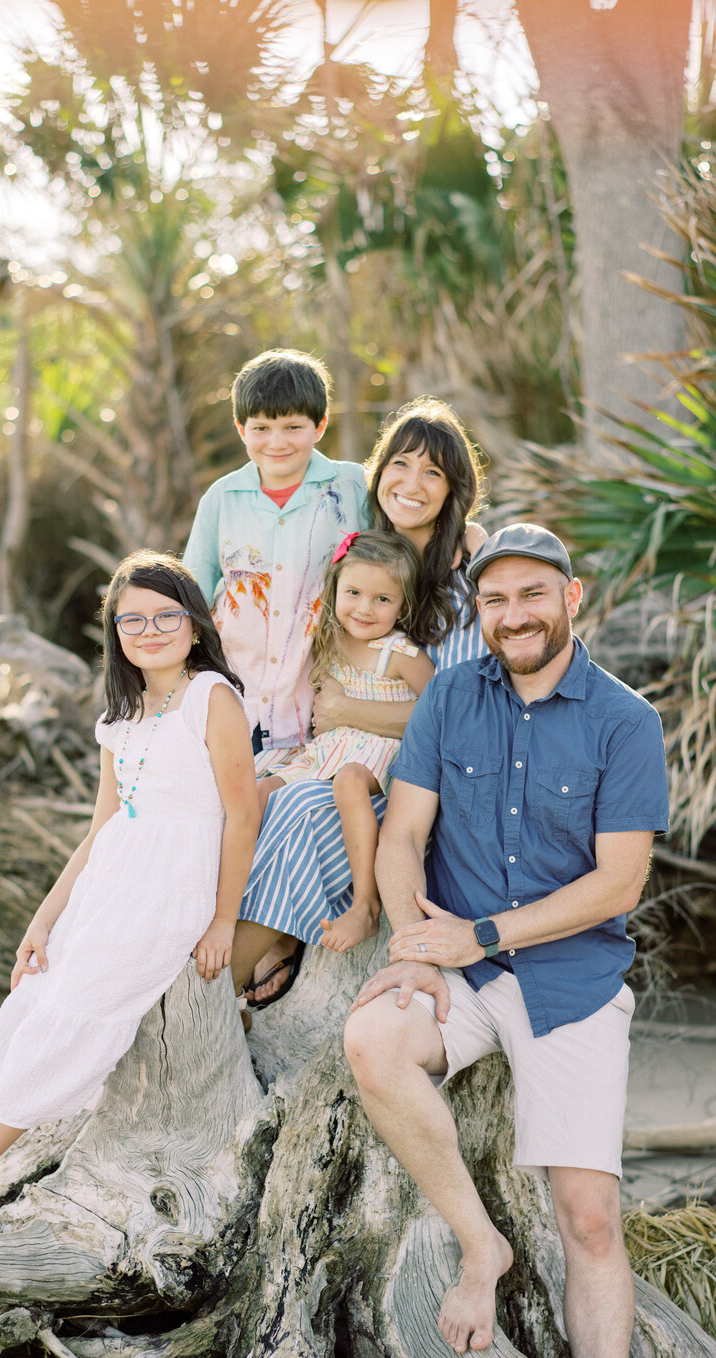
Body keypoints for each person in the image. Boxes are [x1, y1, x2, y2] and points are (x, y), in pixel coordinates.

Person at [342, 524, 670, 1358]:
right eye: (497, 599)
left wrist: (484, 933)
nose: (516, 614)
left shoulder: (626, 721)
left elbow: (619, 884)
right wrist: (417, 947)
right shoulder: (451, 695)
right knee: (372, 1039)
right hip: (462, 973)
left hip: (569, 981)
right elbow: (401, 836)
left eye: (535, 594)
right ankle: (483, 1244)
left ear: (574, 596)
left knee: (588, 1214)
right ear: (478, 609)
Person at [0, 552, 259, 1260]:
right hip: (106, 891)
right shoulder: (121, 715)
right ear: (115, 630)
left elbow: (241, 815)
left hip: (166, 895)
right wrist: (44, 919)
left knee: (54, 1038)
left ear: (193, 625)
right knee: (18, 1022)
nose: (149, 630)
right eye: (133, 619)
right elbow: (101, 827)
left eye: (165, 616)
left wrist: (222, 918)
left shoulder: (211, 697)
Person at [231, 397, 488, 1007]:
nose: (412, 484)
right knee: (252, 793)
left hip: (421, 767)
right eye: (401, 464)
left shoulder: (471, 571)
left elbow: (460, 717)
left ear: (455, 489)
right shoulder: (363, 557)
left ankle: (215, 995)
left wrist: (349, 713)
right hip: (338, 744)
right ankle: (263, 936)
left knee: (306, 809)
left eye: (434, 473)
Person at [253, 530, 433, 964]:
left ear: (403, 605)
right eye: (353, 592)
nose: (364, 608)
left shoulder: (401, 652)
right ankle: (242, 892)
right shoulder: (327, 639)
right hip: (328, 748)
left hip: (377, 753)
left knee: (350, 782)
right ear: (334, 590)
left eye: (382, 599)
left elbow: (436, 712)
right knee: (258, 791)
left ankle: (365, 904)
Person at [182, 347, 369, 755]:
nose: (277, 442)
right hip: (236, 696)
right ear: (240, 427)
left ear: (320, 426)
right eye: (262, 428)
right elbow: (191, 593)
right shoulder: (222, 497)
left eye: (293, 427)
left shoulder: (353, 487)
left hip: (323, 701)